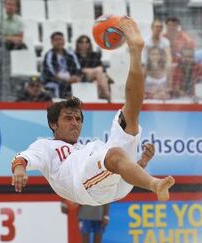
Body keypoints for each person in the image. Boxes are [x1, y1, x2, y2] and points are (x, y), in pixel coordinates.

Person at [11, 17, 175, 207]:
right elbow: (22, 158)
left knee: (130, 114)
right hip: (82, 185)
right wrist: (20, 171)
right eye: (68, 118)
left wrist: (143, 162)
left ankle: (135, 52)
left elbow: (120, 170)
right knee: (113, 154)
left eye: (78, 118)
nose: (75, 122)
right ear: (53, 124)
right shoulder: (45, 146)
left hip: (113, 182)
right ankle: (155, 184)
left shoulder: (83, 148)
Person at [42, 32, 82, 98]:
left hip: (70, 78)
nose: (59, 42)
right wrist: (65, 80)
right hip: (55, 80)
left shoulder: (70, 54)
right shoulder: (49, 54)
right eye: (56, 40)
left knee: (81, 82)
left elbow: (78, 68)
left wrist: (76, 77)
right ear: (52, 42)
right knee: (60, 85)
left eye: (60, 39)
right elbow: (51, 72)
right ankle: (59, 103)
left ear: (64, 41)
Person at [74, 35, 111, 101]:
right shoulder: (74, 55)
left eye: (86, 42)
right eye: (81, 42)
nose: (84, 44)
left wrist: (88, 70)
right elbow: (76, 69)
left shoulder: (94, 55)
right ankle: (107, 96)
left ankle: (101, 99)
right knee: (99, 71)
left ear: (89, 44)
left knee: (97, 81)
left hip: (96, 78)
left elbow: (101, 68)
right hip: (81, 77)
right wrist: (90, 71)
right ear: (78, 44)